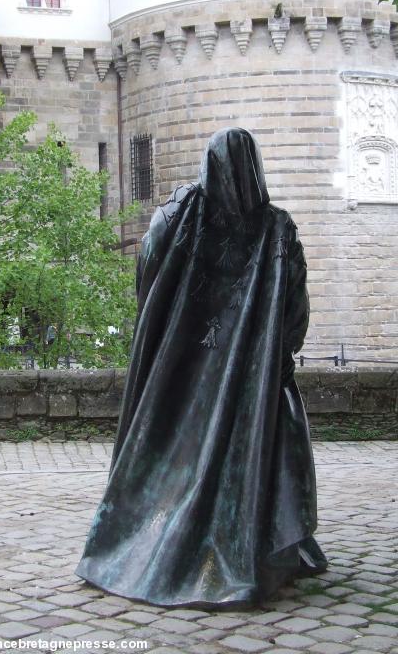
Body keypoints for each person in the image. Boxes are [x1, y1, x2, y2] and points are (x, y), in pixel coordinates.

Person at [75, 127, 327, 609]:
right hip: (248, 375)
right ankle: (258, 541)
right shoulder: (276, 227)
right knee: (277, 425)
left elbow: (148, 279)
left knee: (169, 445)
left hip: (182, 367)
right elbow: (295, 310)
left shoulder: (177, 216)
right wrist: (274, 356)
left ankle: (148, 539)